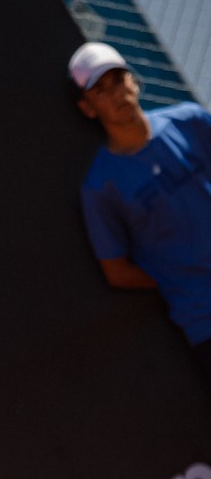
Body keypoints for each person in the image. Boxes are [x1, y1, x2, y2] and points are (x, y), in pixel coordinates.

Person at [69, 41, 211, 380]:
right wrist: (180, 280)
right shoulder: (100, 187)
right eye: (100, 90)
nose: (115, 93)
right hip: (204, 319)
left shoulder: (190, 120)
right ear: (88, 107)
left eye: (117, 80)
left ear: (133, 81)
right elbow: (116, 271)